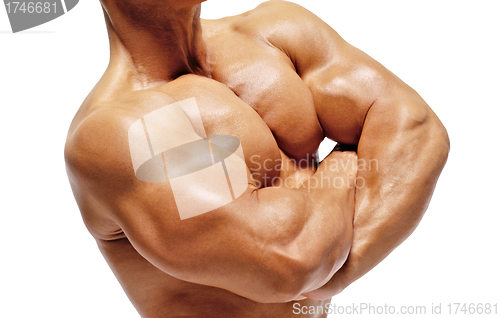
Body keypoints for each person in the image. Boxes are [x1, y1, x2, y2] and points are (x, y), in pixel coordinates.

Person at [64, 0, 450, 317]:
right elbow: (289, 257)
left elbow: (416, 127)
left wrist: (333, 273)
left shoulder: (275, 33)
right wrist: (350, 159)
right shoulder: (123, 127)